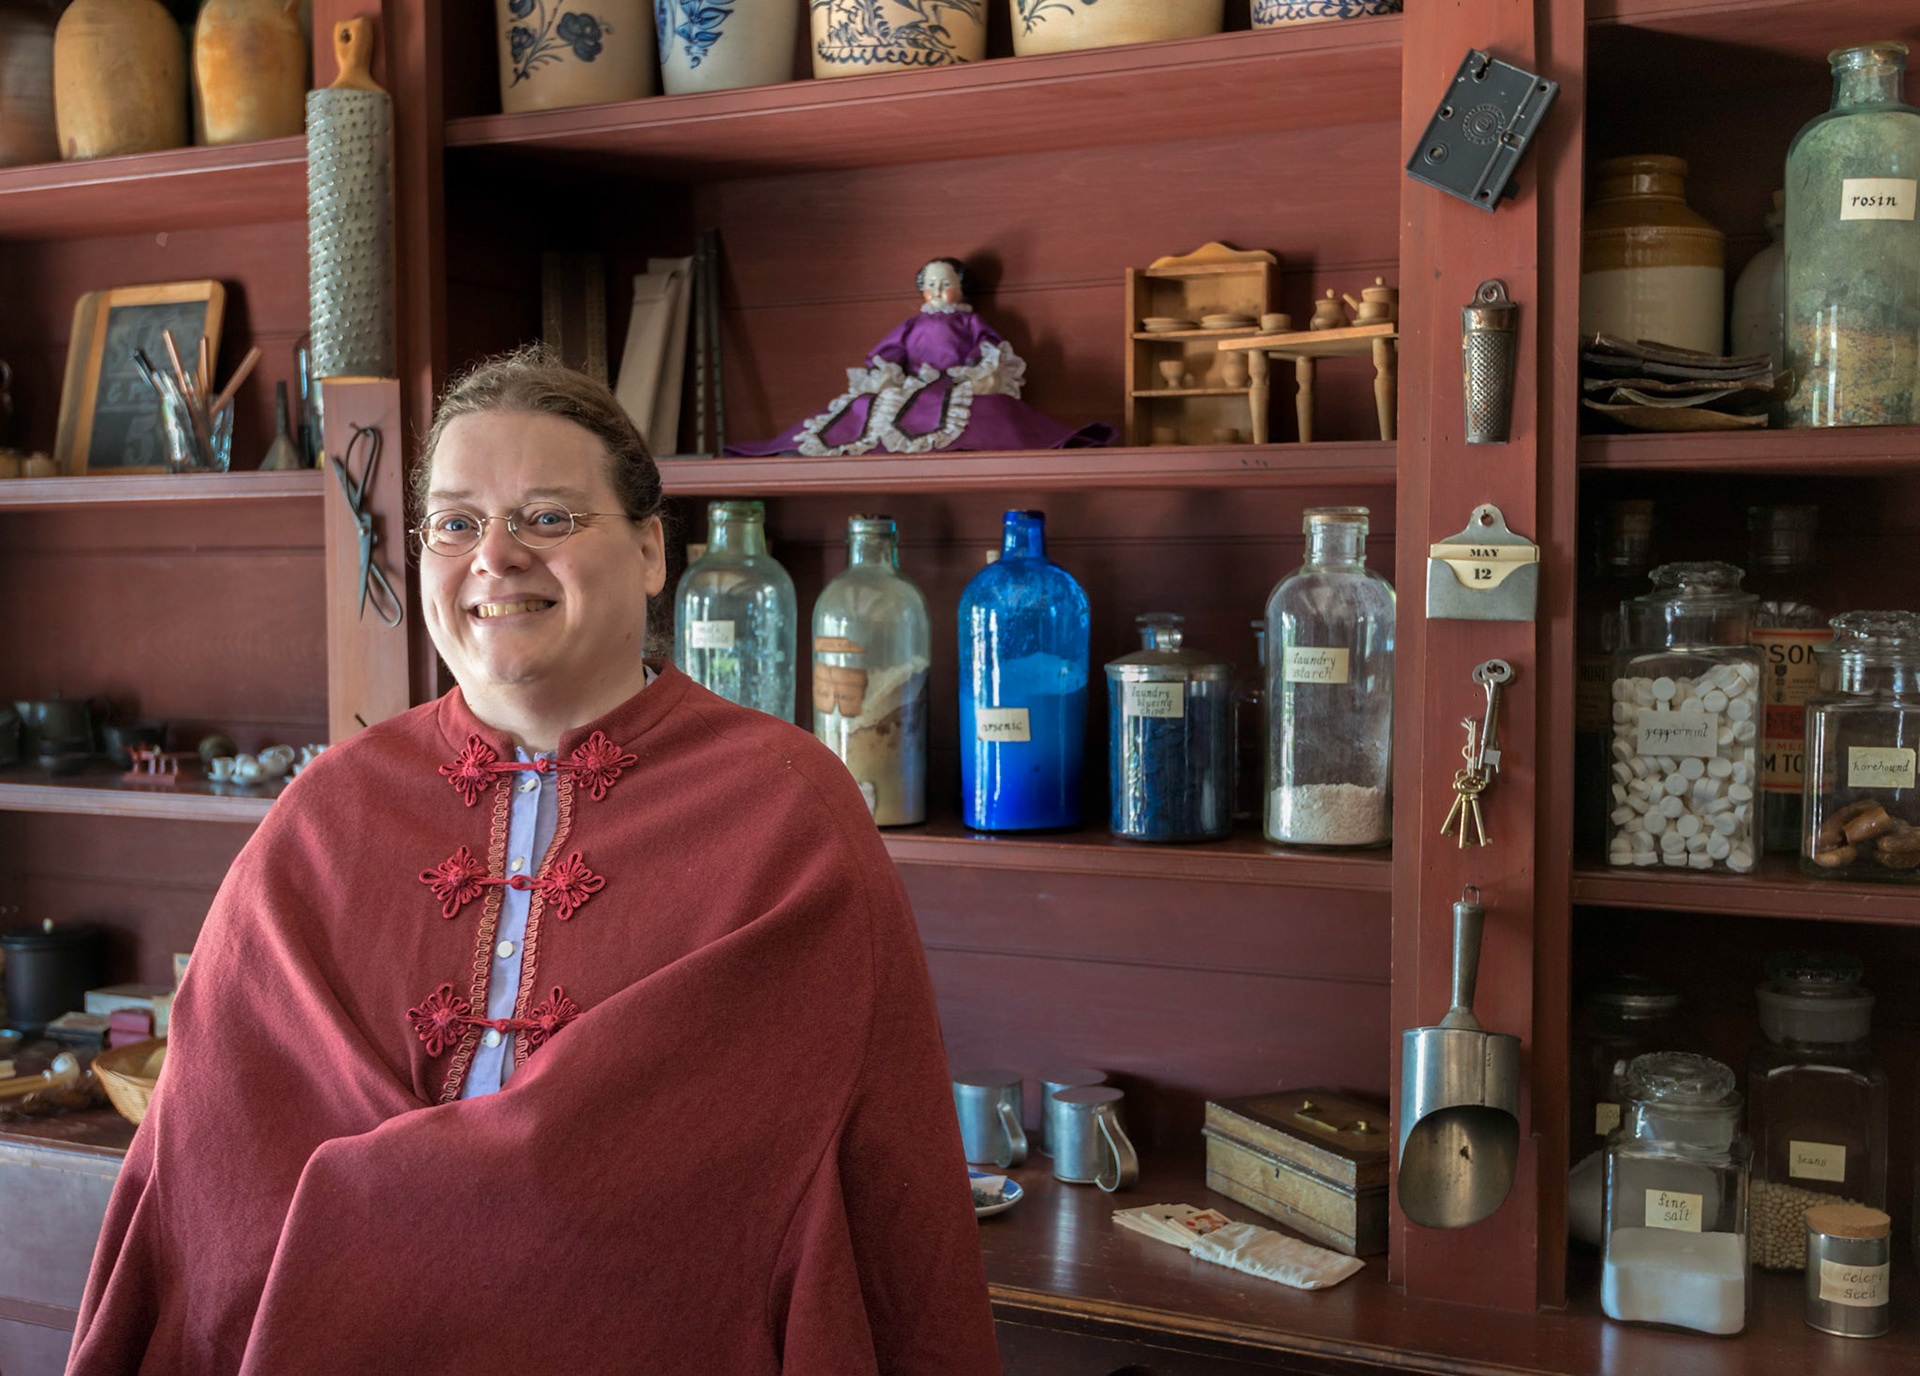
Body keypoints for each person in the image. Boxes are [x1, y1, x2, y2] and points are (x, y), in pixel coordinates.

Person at [68, 347, 1001, 1376]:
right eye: (457, 522)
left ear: (652, 550)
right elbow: (213, 1167)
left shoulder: (790, 809)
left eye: (548, 516)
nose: (494, 556)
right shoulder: (324, 810)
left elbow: (795, 1184)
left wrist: (381, 1208)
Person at [726, 256, 1114, 456]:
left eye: (945, 284)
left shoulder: (969, 323)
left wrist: (982, 370)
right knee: (866, 407)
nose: (936, 290)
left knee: (975, 411)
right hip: (913, 383)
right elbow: (889, 350)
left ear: (960, 289)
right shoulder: (912, 325)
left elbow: (988, 349)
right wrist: (889, 371)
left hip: (955, 381)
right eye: (930, 284)